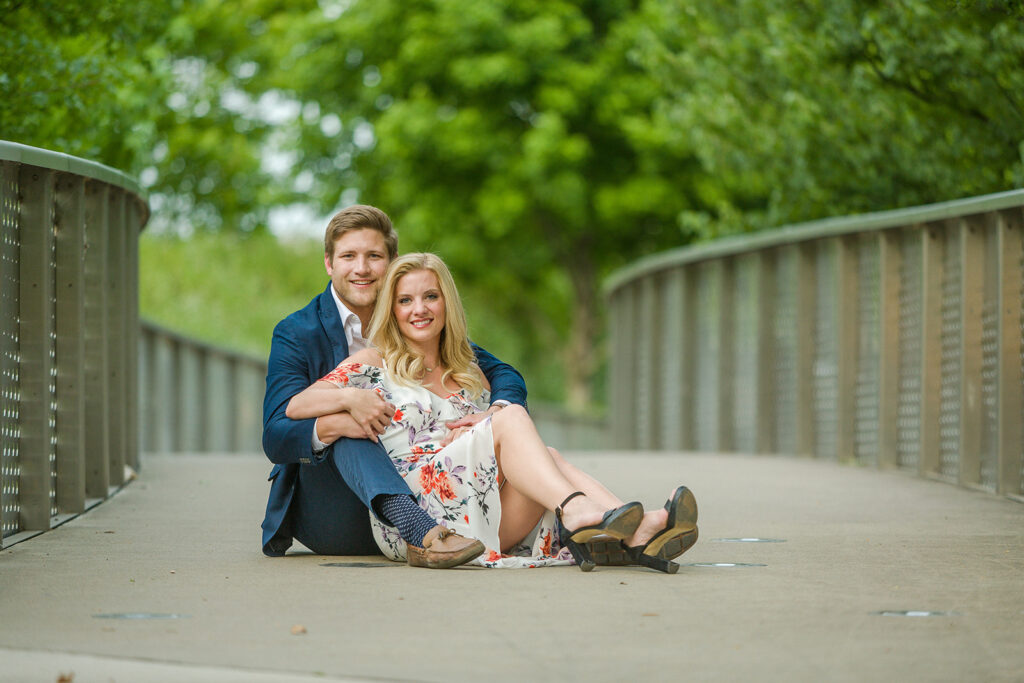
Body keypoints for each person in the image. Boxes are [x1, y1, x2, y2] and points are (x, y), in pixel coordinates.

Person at [287, 253, 699, 572]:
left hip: (477, 504)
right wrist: (350, 399)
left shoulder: (470, 373)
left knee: (547, 457)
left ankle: (635, 527)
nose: (420, 309)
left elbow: (501, 446)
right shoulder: (375, 361)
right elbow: (297, 405)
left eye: (431, 296)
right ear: (392, 310)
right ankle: (580, 513)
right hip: (420, 519)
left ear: (447, 303)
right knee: (512, 417)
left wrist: (485, 423)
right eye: (405, 300)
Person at [261, 205, 528, 568]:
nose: (362, 268)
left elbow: (502, 374)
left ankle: (587, 522)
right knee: (349, 423)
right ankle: (417, 529)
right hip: (338, 509)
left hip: (428, 489)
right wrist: (344, 410)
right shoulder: (297, 332)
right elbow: (276, 430)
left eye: (374, 256)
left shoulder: (413, 317)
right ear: (329, 263)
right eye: (348, 256)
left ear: (392, 261)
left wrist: (495, 412)